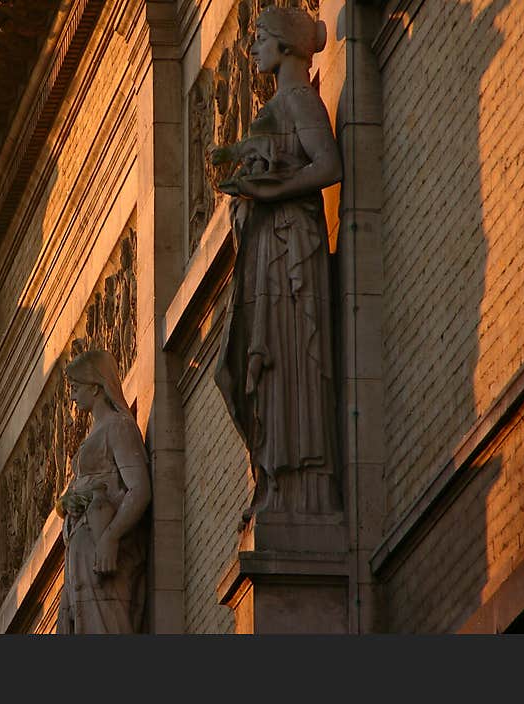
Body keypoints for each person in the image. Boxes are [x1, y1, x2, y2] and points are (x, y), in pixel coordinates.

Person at [212, 6, 343, 519]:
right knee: (241, 368)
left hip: (292, 249)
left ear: (287, 45)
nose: (252, 48)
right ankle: (270, 476)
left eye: (260, 38)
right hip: (267, 250)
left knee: (278, 362)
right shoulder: (279, 101)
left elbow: (329, 164)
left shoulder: (297, 98)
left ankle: (295, 485)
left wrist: (271, 189)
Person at [55, 349, 150, 634]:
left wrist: (110, 538)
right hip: (80, 550)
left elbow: (139, 489)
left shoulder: (118, 427)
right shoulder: (95, 434)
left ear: (96, 387)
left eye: (76, 388)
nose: (72, 397)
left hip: (100, 548)